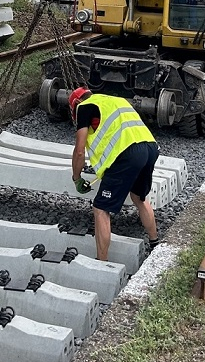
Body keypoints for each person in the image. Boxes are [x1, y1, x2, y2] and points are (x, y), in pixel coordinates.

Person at [68, 87, 161, 260]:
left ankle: (102, 261)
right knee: (139, 198)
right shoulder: (116, 100)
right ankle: (155, 243)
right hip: (150, 148)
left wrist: (77, 177)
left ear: (76, 103)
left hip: (127, 154)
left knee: (101, 208)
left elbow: (79, 151)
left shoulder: (85, 106)